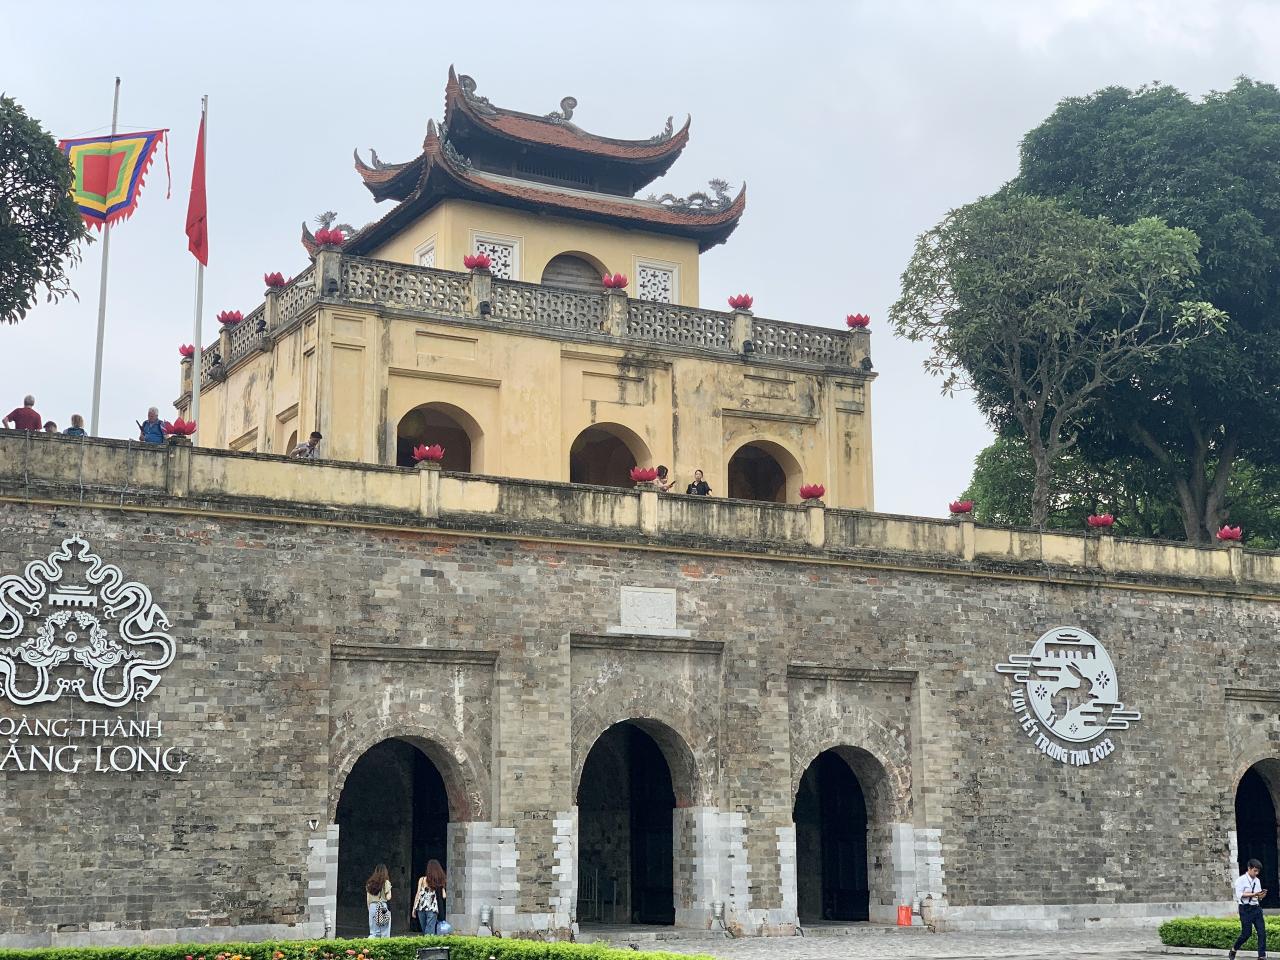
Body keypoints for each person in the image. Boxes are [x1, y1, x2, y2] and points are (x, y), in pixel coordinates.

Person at [1230, 858, 1267, 960]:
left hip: (1256, 908)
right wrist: (1254, 894)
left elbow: (1257, 896)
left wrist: (1261, 895)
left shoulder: (1257, 880)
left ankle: (1261, 956)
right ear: (1249, 869)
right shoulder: (1240, 880)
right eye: (1255, 870)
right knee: (1246, 934)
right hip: (1245, 909)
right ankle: (1234, 949)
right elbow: (1240, 895)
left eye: (1258, 871)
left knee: (1262, 932)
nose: (1256, 873)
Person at [411, 859, 447, 935]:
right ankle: (429, 944)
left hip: (421, 907)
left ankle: (426, 944)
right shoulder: (439, 881)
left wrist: (414, 908)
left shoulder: (422, 879)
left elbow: (418, 894)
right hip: (432, 908)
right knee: (430, 929)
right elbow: (444, 896)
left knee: (425, 930)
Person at [365, 863, 392, 937]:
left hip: (372, 906)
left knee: (373, 932)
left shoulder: (370, 883)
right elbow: (388, 897)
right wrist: (389, 890)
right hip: (382, 906)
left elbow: (368, 899)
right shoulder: (386, 882)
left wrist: (369, 909)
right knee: (384, 931)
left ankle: (370, 946)